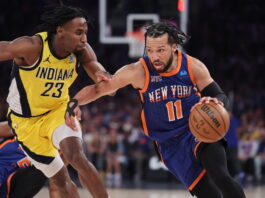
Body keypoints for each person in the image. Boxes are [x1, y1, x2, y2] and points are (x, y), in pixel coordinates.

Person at [66, 22, 246, 198]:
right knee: (208, 194)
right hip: (168, 143)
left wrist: (215, 101)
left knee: (221, 176)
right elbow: (100, 89)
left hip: (197, 128)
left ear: (174, 47)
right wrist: (75, 101)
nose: (154, 56)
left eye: (160, 50)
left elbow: (220, 95)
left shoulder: (192, 66)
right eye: (150, 50)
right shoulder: (139, 71)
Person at [0, 5, 111, 198]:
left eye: (85, 33)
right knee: (60, 181)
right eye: (79, 32)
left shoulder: (81, 50)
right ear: (60, 30)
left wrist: (101, 73)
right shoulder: (32, 47)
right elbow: (5, 48)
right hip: (25, 122)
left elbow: (93, 65)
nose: (84, 38)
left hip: (59, 111)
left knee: (76, 156)